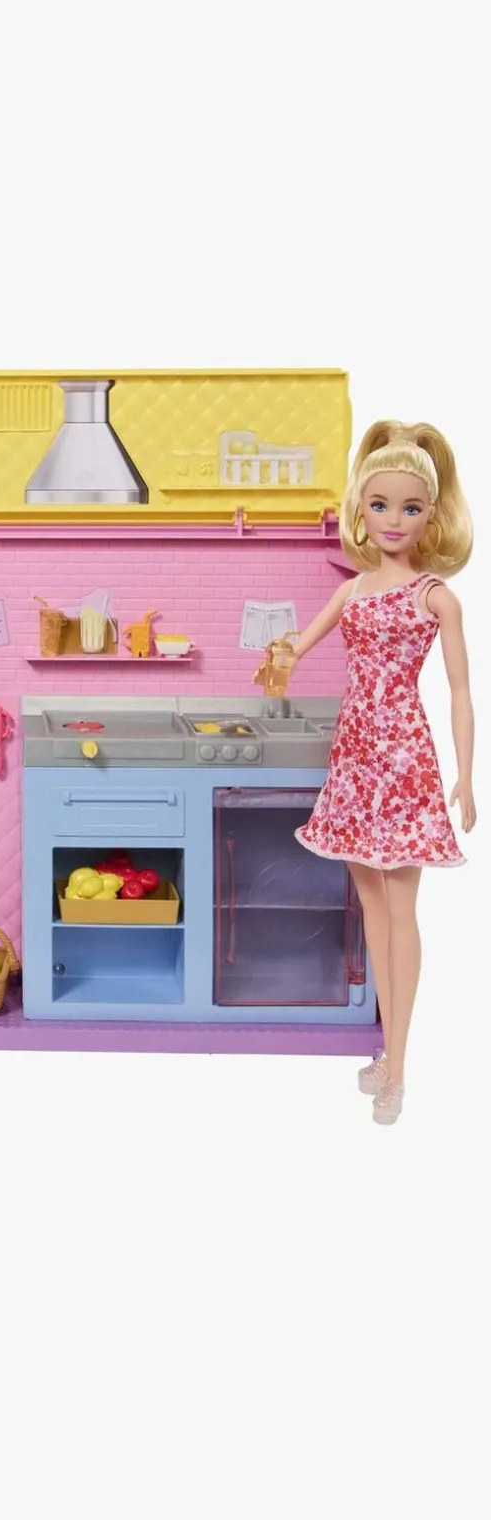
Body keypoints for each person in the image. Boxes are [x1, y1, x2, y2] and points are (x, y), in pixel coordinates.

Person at [269, 421, 475, 1125]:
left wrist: (466, 774)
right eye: (381, 504)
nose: (393, 519)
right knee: (373, 907)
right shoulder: (353, 590)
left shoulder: (435, 597)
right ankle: (387, 1052)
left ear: (431, 514)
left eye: (409, 508)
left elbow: (460, 690)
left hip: (405, 756)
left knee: (402, 911)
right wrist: (277, 658)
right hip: (356, 754)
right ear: (361, 507)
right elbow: (297, 646)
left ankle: (401, 1067)